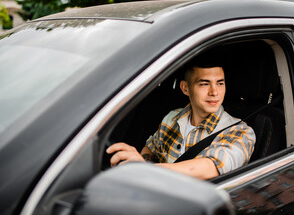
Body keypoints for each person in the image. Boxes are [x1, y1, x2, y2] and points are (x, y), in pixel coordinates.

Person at [106, 56, 256, 180]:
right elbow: (151, 148)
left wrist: (146, 169)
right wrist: (141, 161)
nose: (214, 92)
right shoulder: (172, 118)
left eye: (220, 83)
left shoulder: (240, 131)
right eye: (204, 84)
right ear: (185, 88)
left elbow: (212, 166)